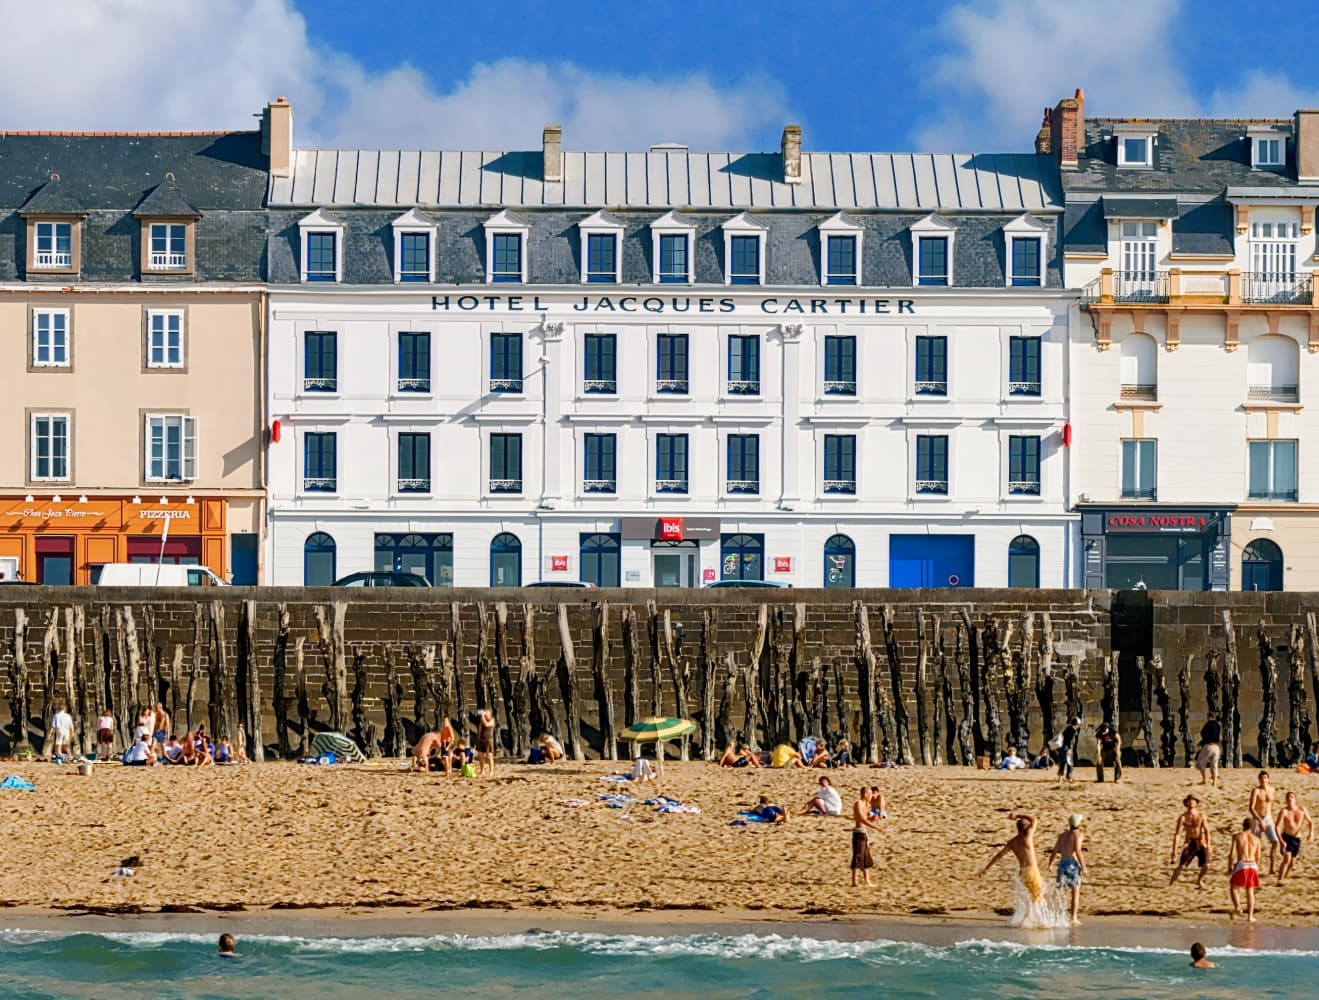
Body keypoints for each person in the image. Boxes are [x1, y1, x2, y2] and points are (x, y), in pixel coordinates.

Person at [980, 814, 1044, 903]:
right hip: (1031, 870)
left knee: (1030, 897)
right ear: (1026, 827)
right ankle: (1029, 916)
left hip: (1022, 872)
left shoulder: (1012, 842)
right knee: (1038, 896)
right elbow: (1034, 820)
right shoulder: (1027, 836)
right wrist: (1017, 815)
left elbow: (999, 855)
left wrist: (987, 868)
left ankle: (1027, 915)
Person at [1046, 813, 1089, 925]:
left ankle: (1055, 914)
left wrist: (1050, 864)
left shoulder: (1062, 835)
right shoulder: (1078, 834)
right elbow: (1078, 850)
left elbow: (1055, 850)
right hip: (1072, 864)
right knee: (1075, 892)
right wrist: (1083, 867)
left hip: (1062, 864)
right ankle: (1073, 918)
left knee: (1060, 891)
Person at [1169, 795, 1212, 889]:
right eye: (1189, 801)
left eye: (1193, 800)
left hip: (1201, 841)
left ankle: (1199, 881)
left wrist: (1208, 845)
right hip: (1191, 842)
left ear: (1196, 803)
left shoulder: (1201, 815)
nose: (1191, 802)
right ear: (1186, 803)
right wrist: (1174, 851)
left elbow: (1207, 830)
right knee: (1182, 866)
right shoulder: (1183, 817)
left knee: (1207, 865)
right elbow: (1177, 834)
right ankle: (1171, 883)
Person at [1227, 817, 1262, 922]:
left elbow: (1232, 854)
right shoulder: (1257, 839)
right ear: (1253, 827)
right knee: (1250, 890)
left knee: (1234, 888)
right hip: (1253, 864)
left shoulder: (1237, 836)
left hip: (1242, 863)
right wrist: (1257, 867)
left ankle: (1237, 907)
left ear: (1243, 825)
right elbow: (1258, 856)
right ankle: (1250, 916)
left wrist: (1229, 866)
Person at [1276, 791, 1314, 883]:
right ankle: (1280, 880)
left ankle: (1284, 877)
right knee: (1287, 859)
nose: (1289, 798)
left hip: (1297, 839)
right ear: (1285, 800)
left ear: (1295, 799)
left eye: (1291, 797)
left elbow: (1310, 822)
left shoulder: (1302, 810)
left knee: (1292, 863)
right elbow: (1277, 825)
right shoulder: (1284, 811)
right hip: (1286, 837)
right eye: (1287, 797)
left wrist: (1311, 834)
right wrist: (1280, 840)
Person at [850, 787, 884, 888]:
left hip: (864, 832)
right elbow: (861, 819)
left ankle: (867, 880)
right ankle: (854, 881)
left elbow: (866, 818)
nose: (871, 797)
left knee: (865, 857)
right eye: (870, 794)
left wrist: (873, 818)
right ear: (865, 794)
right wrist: (877, 827)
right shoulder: (858, 803)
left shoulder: (867, 804)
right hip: (858, 832)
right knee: (857, 856)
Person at [1248, 771, 1280, 875]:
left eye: (1265, 778)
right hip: (1257, 818)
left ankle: (1272, 868)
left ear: (1268, 779)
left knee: (1275, 842)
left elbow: (1270, 806)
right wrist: (1260, 820)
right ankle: (1254, 866)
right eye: (1262, 778)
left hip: (1268, 818)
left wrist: (1271, 820)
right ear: (1259, 779)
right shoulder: (1256, 791)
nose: (1263, 780)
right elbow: (1251, 808)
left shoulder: (1272, 789)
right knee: (1256, 844)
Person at [1196, 715, 1222, 788]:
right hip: (1216, 747)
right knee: (1214, 765)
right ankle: (1214, 782)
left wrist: (1202, 742)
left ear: (1209, 717)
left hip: (1208, 746)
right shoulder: (1218, 725)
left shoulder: (1208, 724)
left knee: (1199, 762)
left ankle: (1204, 779)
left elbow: (1203, 733)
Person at [1056, 717, 1081, 786]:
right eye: (1078, 724)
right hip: (1066, 748)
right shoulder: (1072, 730)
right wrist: (1069, 749)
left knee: (1062, 762)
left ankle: (1060, 777)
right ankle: (1069, 777)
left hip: (1062, 748)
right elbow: (1069, 740)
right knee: (1070, 763)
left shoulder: (1067, 728)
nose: (1078, 726)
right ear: (1075, 724)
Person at [476, 708, 497, 776]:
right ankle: (482, 770)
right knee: (480, 755)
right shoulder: (482, 720)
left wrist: (482, 716)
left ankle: (491, 771)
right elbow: (480, 728)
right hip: (481, 739)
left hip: (489, 740)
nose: (485, 714)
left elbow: (486, 724)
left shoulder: (492, 720)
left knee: (489, 756)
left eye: (486, 713)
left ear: (490, 714)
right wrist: (478, 738)